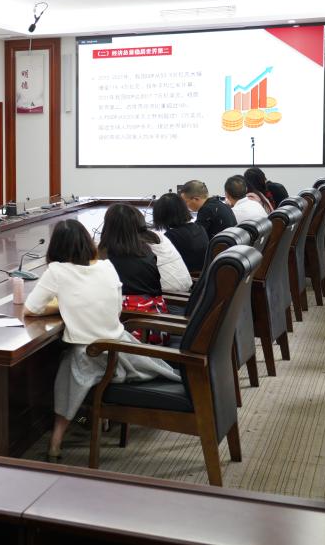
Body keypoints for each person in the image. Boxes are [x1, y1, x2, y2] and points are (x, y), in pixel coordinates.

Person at [23, 220, 179, 460]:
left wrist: (61, 306)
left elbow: (30, 309)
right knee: (69, 359)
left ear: (55, 248)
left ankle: (57, 439)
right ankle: (89, 417)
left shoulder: (56, 271)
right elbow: (116, 310)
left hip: (88, 357)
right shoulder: (107, 266)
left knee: (64, 363)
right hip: (122, 349)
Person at [97, 203, 167, 311]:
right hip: (156, 310)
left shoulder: (106, 256)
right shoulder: (146, 250)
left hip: (133, 315)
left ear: (109, 226)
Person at [152, 193, 209, 274]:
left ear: (162, 215)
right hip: (202, 277)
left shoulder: (171, 236)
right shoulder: (200, 228)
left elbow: (162, 264)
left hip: (187, 277)